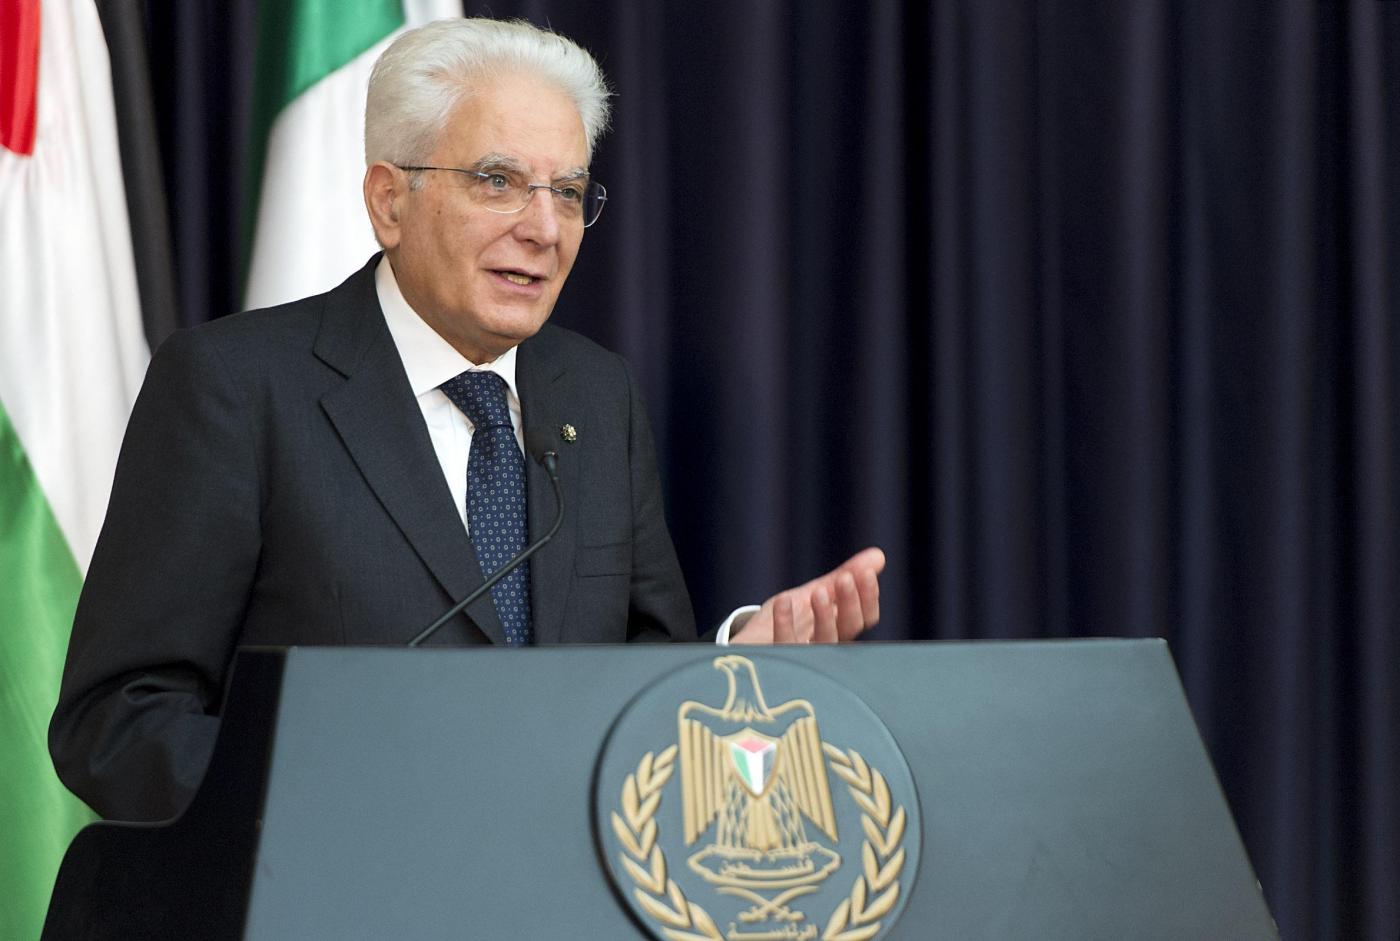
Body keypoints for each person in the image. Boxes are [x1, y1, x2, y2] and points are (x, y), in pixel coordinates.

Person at [49, 18, 884, 823]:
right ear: (389, 201)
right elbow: (116, 720)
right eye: (498, 181)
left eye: (567, 192)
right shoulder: (236, 387)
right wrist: (343, 797)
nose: (544, 228)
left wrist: (734, 662)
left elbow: (633, 685)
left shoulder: (596, 396)